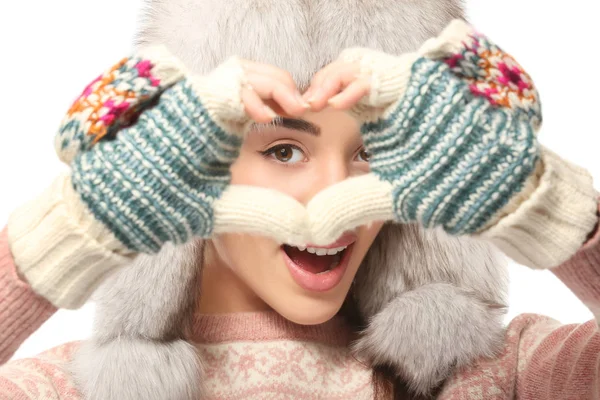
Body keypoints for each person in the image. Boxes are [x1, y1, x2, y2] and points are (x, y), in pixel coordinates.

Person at [1, 1, 599, 400]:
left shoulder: (499, 374)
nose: (339, 192)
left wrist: (549, 206)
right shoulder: (65, 390)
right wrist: (70, 231)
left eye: (371, 152)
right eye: (284, 150)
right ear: (186, 168)